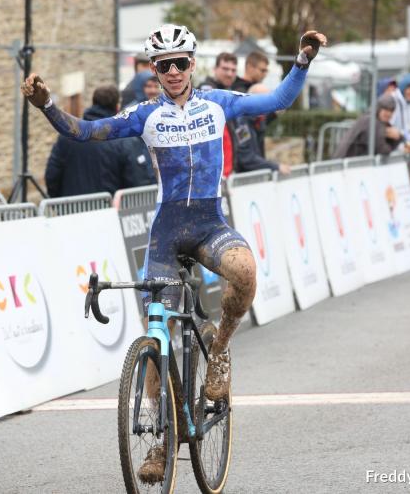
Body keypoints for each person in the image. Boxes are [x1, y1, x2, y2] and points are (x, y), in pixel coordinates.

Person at [22, 24, 326, 482]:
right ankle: (161, 442)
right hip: (167, 232)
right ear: (154, 69)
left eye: (180, 62)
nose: (173, 71)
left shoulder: (218, 103)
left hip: (209, 224)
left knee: (245, 272)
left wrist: (302, 60)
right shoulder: (144, 115)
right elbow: (85, 131)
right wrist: (47, 105)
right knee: (156, 334)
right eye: (164, 65)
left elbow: (279, 100)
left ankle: (218, 352)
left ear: (192, 63)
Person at [44, 85, 128, 197]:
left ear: (93, 103)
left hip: (71, 205)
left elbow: (52, 174)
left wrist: (59, 201)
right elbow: (131, 178)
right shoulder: (121, 140)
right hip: (108, 206)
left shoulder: (68, 136)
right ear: (117, 107)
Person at [233, 83, 291, 174]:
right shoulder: (241, 123)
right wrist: (276, 167)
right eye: (264, 101)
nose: (267, 105)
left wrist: (277, 110)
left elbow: (266, 120)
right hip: (244, 177)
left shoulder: (257, 117)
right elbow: (246, 158)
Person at [120, 76, 160, 188]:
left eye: (156, 86)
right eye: (149, 86)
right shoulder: (131, 110)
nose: (152, 90)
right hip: (141, 163)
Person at [333, 94, 403, 158]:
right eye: (386, 110)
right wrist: (396, 139)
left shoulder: (370, 118)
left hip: (345, 160)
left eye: (391, 111)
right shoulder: (373, 122)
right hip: (349, 163)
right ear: (379, 109)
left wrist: (389, 134)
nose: (388, 114)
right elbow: (383, 150)